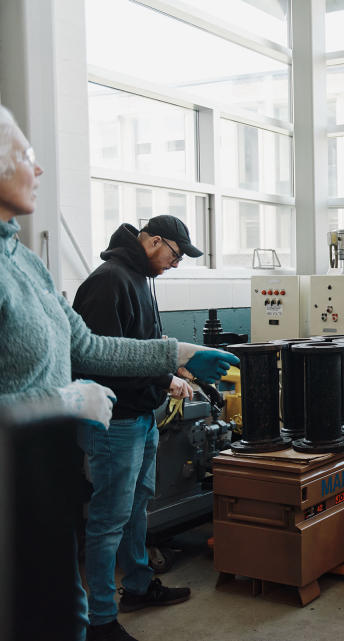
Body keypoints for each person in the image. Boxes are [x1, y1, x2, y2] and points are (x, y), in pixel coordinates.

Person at [0, 104, 238, 641]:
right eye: (24, 155)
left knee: (98, 555)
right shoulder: (110, 280)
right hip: (31, 486)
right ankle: (105, 614)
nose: (38, 170)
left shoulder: (27, 263)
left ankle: (116, 601)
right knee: (104, 524)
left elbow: (85, 345)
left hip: (48, 487)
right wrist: (57, 403)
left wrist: (176, 355)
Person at [72, 215, 206, 641]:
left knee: (135, 509)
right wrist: (165, 376)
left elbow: (141, 347)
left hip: (141, 417)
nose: (175, 263)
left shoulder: (139, 278)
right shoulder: (108, 281)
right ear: (152, 240)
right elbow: (96, 359)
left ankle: (137, 586)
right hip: (114, 422)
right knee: (108, 520)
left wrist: (171, 371)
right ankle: (100, 621)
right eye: (175, 254)